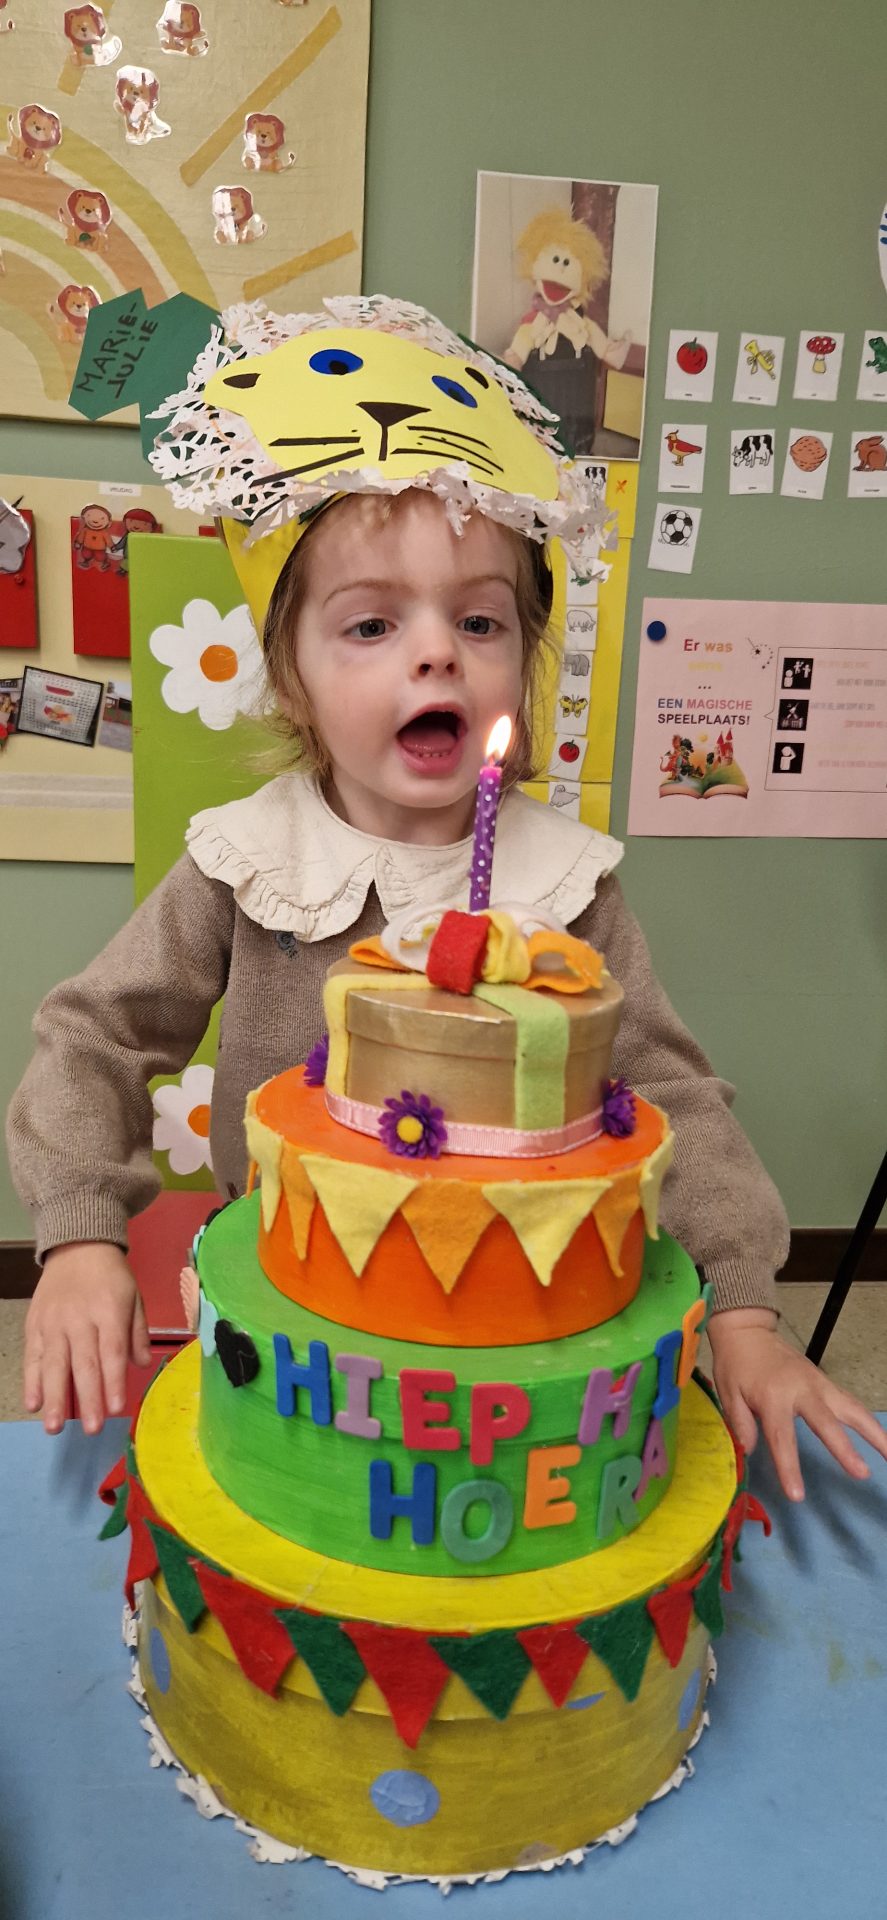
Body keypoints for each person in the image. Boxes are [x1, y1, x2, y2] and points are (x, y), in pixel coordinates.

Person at [7, 295, 885, 1510]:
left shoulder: (565, 886)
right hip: (297, 1317)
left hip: (519, 1335)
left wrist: (740, 1312)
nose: (436, 654)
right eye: (372, 623)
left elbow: (672, 1098)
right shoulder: (245, 861)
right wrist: (79, 1231)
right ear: (291, 679)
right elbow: (93, 1033)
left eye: (478, 620)